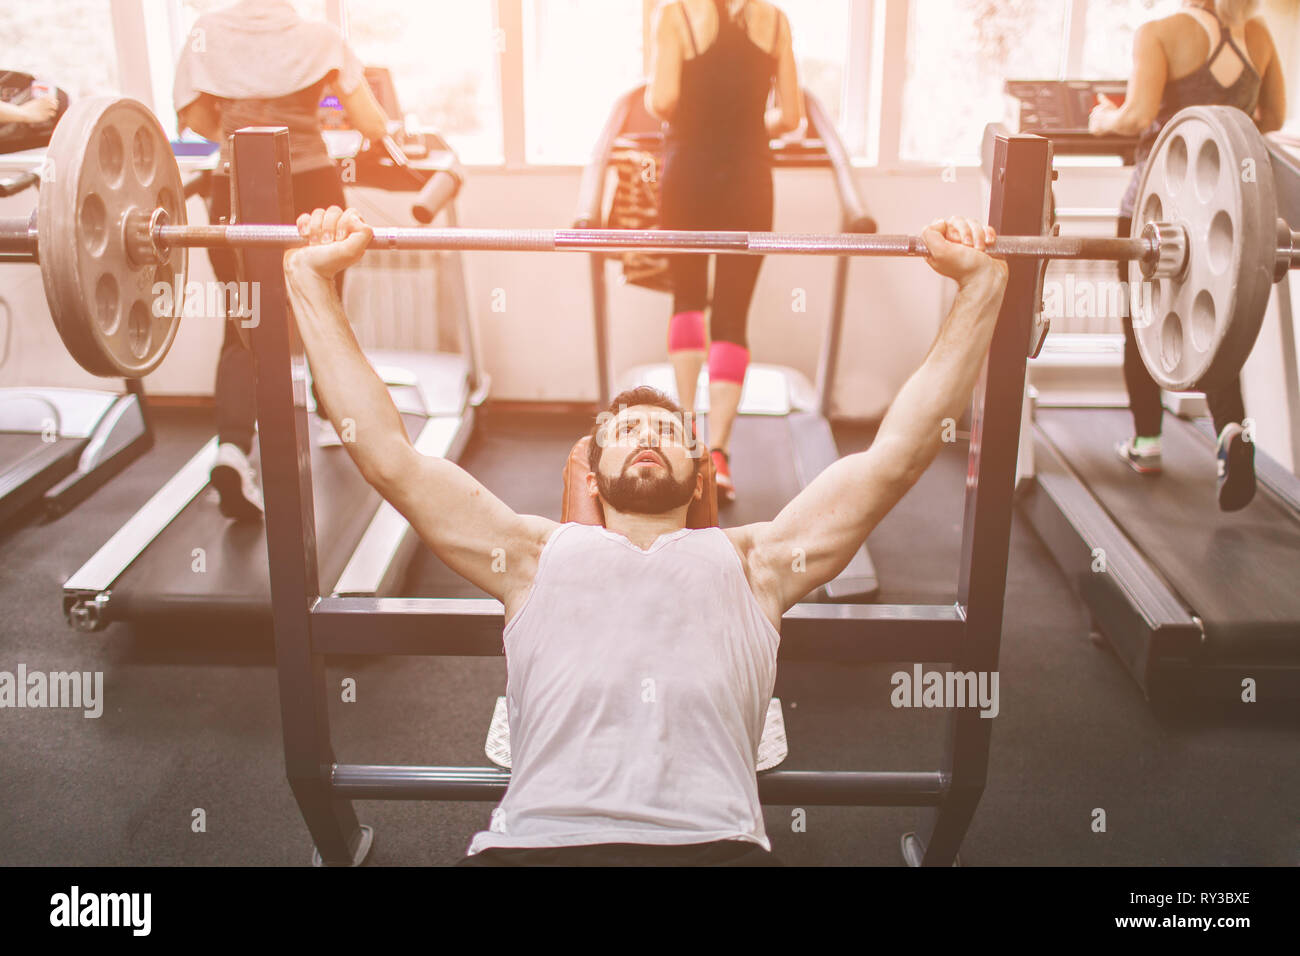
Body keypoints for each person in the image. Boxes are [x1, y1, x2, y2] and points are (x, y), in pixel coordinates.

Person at [280, 206, 1007, 866]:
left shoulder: (755, 563)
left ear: (702, 479)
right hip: (535, 846)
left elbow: (897, 457)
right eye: (627, 433)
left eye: (668, 432)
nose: (648, 439)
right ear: (591, 477)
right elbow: (386, 454)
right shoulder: (531, 556)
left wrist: (980, 290)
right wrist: (309, 282)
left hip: (714, 849)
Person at [172, 0, 392, 520]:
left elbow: (193, 117)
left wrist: (237, 128)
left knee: (243, 318)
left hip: (235, 190)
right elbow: (370, 122)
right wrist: (311, 115)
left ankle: (231, 448)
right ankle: (334, 419)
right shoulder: (319, 38)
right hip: (313, 186)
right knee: (324, 310)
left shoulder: (206, 33)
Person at [1089, 0, 1285, 512]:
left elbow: (1135, 115)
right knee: (1223, 326)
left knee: (1141, 319)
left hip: (1154, 209)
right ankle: (1234, 434)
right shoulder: (1259, 39)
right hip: (1228, 215)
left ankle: (1147, 444)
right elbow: (1274, 117)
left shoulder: (1160, 33)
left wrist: (1102, 120)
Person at [645, 0, 804, 502]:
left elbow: (663, 98)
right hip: (749, 178)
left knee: (688, 299)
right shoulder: (776, 21)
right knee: (733, 316)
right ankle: (719, 456)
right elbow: (794, 115)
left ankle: (688, 440)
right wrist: (752, 122)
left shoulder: (676, 15)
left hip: (688, 173)